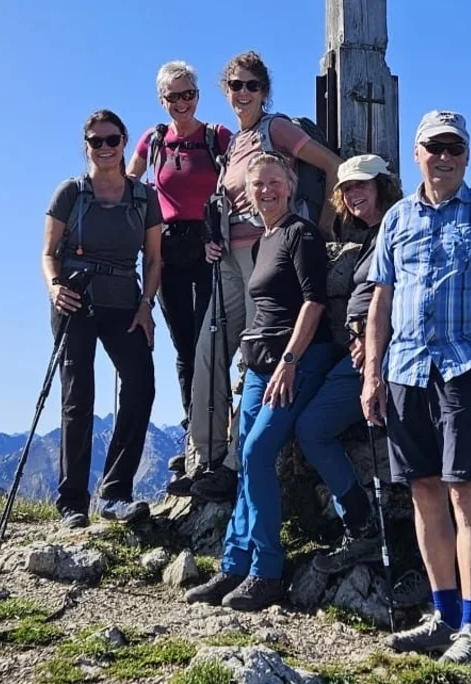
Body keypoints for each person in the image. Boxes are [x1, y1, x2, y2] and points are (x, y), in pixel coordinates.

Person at [361, 111, 471, 670]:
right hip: (406, 370)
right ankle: (444, 617)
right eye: (435, 147)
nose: (444, 156)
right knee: (424, 493)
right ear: (417, 153)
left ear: (468, 155)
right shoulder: (397, 220)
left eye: (454, 147)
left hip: (466, 370)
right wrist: (372, 373)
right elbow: (380, 301)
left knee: (465, 494)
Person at [184, 51, 343, 503]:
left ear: (264, 91)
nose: (243, 93)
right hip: (230, 261)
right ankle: (207, 457)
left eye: (252, 85)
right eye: (235, 85)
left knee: (258, 358)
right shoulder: (235, 143)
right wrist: (214, 239)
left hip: (265, 258)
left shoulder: (275, 129)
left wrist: (326, 226)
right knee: (208, 352)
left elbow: (333, 165)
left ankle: (236, 464)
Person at [183, 152, 335, 611]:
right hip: (259, 365)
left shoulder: (301, 234)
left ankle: (266, 571)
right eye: (257, 185)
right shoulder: (261, 242)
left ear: (290, 185)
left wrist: (291, 358)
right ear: (246, 194)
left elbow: (314, 303)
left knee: (256, 452)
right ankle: (235, 564)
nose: (265, 191)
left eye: (274, 182)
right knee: (246, 458)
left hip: (298, 360)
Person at [42, 109, 163, 529]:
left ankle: (114, 493)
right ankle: (72, 502)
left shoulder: (143, 197)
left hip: (125, 302)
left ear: (125, 141)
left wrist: (147, 304)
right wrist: (55, 286)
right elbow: (47, 252)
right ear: (86, 146)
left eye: (113, 140)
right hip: (74, 301)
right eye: (97, 141)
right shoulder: (70, 193)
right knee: (78, 398)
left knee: (141, 384)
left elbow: (153, 257)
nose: (106, 148)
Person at [292, 154, 404, 575]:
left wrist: (369, 338)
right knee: (312, 427)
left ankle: (413, 552)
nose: (356, 194)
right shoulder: (369, 235)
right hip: (358, 355)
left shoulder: (399, 226)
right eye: (348, 188)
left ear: (383, 187)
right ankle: (361, 524)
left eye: (364, 185)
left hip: (390, 354)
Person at [126, 61, 232, 493]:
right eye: (175, 97)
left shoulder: (216, 138)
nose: (183, 103)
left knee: (212, 340)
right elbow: (129, 183)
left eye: (189, 94)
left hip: (209, 245)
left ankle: (213, 435)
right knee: (185, 344)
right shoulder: (153, 142)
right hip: (167, 248)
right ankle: (195, 431)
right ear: (162, 100)